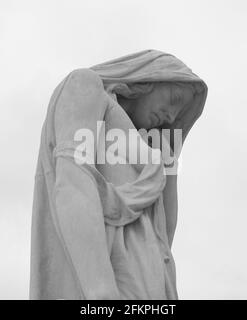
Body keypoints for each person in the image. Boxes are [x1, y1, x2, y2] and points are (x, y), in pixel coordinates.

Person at [29, 49, 208, 299]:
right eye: (174, 98)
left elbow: (163, 237)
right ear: (150, 77)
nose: (171, 115)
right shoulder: (85, 85)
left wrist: (167, 161)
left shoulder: (148, 146)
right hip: (109, 282)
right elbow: (73, 182)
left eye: (178, 114)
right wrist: (99, 289)